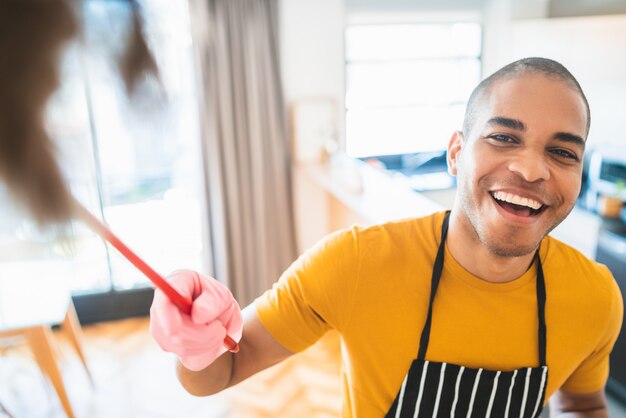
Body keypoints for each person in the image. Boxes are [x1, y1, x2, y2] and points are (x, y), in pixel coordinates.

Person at [150, 57, 623, 417]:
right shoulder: (356, 264)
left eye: (562, 152)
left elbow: (583, 407)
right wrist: (198, 339)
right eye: (503, 137)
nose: (531, 169)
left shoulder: (594, 297)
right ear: (457, 153)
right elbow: (222, 373)